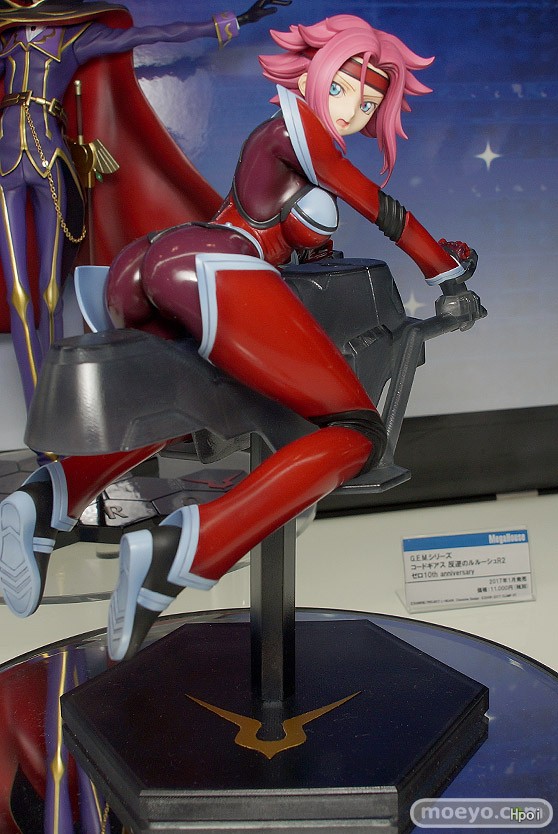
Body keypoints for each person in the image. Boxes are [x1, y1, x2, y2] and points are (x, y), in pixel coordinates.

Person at [0, 14, 476, 662]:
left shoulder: (285, 145)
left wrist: (427, 252)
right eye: (341, 88)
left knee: (189, 403)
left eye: (367, 104)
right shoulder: (296, 130)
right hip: (211, 267)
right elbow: (377, 206)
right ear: (312, 76)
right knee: (355, 434)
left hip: (147, 268)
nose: (350, 111)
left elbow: (306, 241)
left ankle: (46, 500)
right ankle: (182, 551)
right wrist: (442, 270)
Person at [0, 0, 291, 410]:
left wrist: (231, 22)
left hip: (49, 160)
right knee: (18, 293)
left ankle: (53, 408)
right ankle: (38, 413)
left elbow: (153, 34)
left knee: (49, 293)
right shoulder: (7, 41)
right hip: (6, 165)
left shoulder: (72, 38)